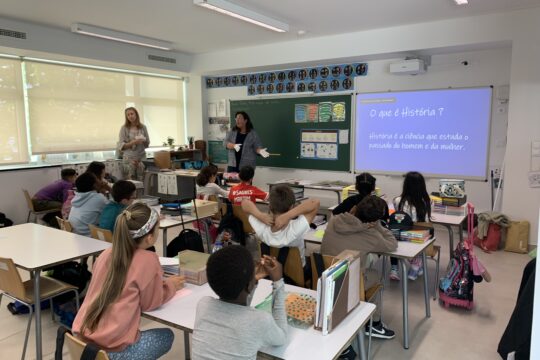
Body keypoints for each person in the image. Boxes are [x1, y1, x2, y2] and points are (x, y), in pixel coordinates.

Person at [72, 203, 184, 359]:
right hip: (113, 351)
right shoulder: (148, 260)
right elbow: (151, 303)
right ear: (150, 237)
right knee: (167, 336)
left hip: (81, 342)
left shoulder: (106, 253)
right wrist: (171, 285)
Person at [321, 195, 397, 340]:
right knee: (375, 275)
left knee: (363, 259)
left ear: (356, 208)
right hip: (347, 285)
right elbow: (392, 243)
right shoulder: (372, 234)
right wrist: (378, 226)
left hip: (326, 275)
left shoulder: (334, 221)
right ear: (374, 220)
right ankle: (374, 324)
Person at [192, 246, 286, 360]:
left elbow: (240, 308)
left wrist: (251, 281)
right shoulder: (261, 320)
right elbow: (281, 338)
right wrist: (278, 282)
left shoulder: (203, 305)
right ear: (248, 285)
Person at [242, 185, 319, 269]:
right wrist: (288, 215)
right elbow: (315, 202)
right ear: (292, 207)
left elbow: (244, 203)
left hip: (269, 273)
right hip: (297, 274)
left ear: (270, 206)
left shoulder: (261, 227)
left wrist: (260, 215)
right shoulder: (295, 228)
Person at [393, 171, 432, 281]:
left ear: (406, 185)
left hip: (403, 237)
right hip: (423, 238)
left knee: (394, 233)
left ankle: (416, 264)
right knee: (421, 233)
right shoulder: (428, 201)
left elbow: (399, 219)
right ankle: (417, 264)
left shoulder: (398, 200)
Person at [68, 173, 109, 237]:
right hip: (91, 237)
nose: (99, 181)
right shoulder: (98, 198)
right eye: (96, 180)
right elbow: (111, 212)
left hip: (75, 235)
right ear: (94, 185)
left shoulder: (77, 197)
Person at [118, 107, 150, 181]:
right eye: (128, 115)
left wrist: (143, 140)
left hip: (141, 157)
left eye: (132, 114)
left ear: (136, 114)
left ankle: (142, 193)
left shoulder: (143, 127)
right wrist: (133, 142)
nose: (130, 116)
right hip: (129, 158)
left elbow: (147, 143)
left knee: (142, 180)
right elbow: (121, 146)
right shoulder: (124, 128)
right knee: (130, 181)